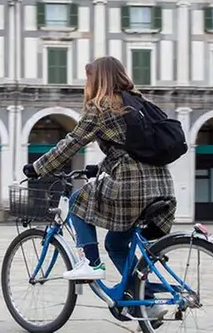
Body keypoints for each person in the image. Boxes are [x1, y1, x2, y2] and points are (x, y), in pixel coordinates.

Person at [23, 56, 176, 319]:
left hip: (132, 187)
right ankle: (144, 298)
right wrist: (102, 167)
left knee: (77, 200)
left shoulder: (101, 106)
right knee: (116, 243)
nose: (87, 82)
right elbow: (131, 149)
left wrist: (37, 168)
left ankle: (90, 263)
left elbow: (72, 143)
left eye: (89, 77)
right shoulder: (140, 103)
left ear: (98, 79)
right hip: (162, 185)